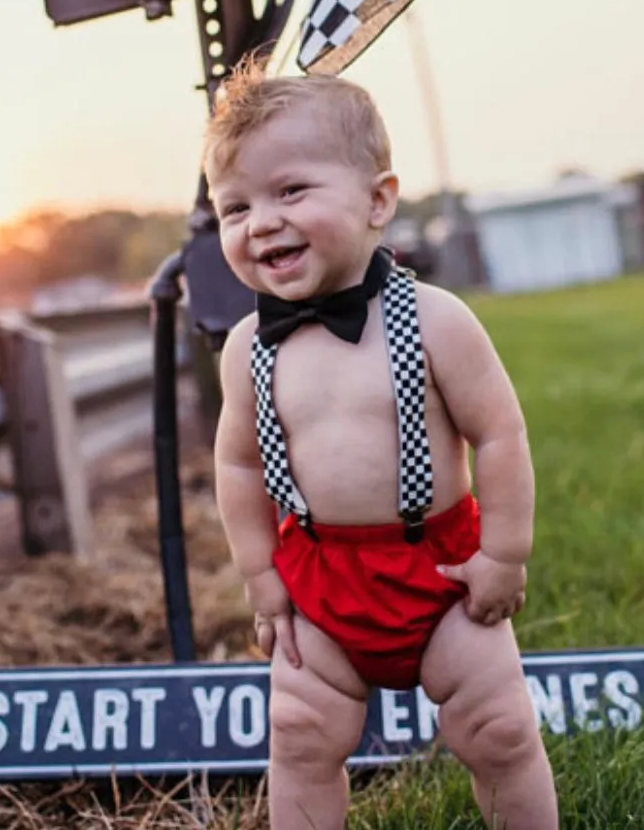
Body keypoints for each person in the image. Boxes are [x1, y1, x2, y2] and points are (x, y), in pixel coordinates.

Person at [205, 60, 558, 830]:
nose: (260, 221)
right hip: (318, 579)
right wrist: (262, 578)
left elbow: (498, 435)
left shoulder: (437, 320)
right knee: (300, 737)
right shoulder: (246, 349)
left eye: (290, 191)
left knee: (497, 731)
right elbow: (236, 465)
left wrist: (502, 554)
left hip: (441, 572)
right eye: (234, 207)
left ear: (377, 201)